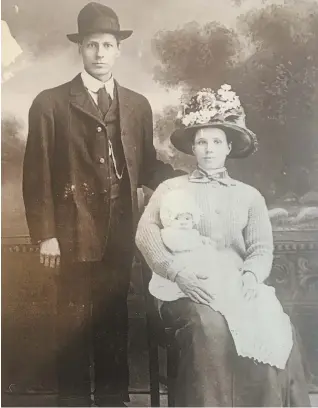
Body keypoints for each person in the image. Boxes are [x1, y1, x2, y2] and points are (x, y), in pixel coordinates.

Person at [22, 3, 179, 406]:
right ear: (81, 48)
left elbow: (145, 166)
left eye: (107, 44)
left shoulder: (137, 104)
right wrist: (46, 236)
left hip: (120, 234)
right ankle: (72, 401)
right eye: (92, 44)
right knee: (72, 322)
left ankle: (114, 400)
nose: (100, 53)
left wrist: (186, 181)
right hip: (71, 234)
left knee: (115, 320)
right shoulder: (50, 104)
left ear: (119, 49)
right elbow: (36, 174)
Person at [136, 85, 311, 406]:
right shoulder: (170, 188)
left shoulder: (248, 195)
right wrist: (177, 273)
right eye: (201, 142)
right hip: (186, 289)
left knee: (273, 325)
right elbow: (145, 234)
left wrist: (251, 276)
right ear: (192, 147)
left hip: (235, 285)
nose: (209, 149)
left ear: (229, 146)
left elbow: (260, 249)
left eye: (217, 142)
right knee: (211, 326)